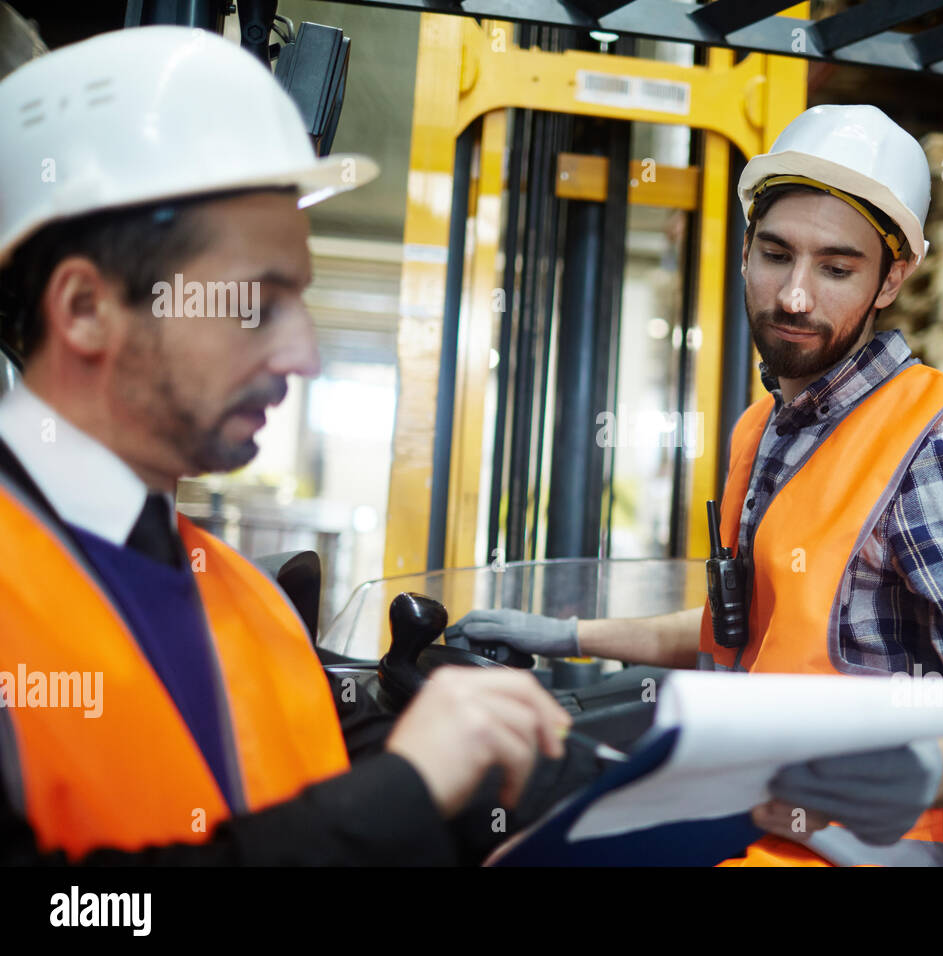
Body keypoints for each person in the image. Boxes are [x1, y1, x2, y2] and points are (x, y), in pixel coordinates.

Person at [446, 104, 943, 866]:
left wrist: (922, 774)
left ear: (892, 279)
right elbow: (744, 626)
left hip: (878, 851)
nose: (795, 297)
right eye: (776, 255)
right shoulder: (769, 428)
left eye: (837, 269)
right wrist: (567, 638)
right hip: (755, 822)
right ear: (745, 250)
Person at [0, 25, 571, 865]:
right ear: (85, 309)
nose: (303, 353)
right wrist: (400, 790)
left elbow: (260, 797)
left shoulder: (244, 597)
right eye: (254, 303)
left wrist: (452, 764)